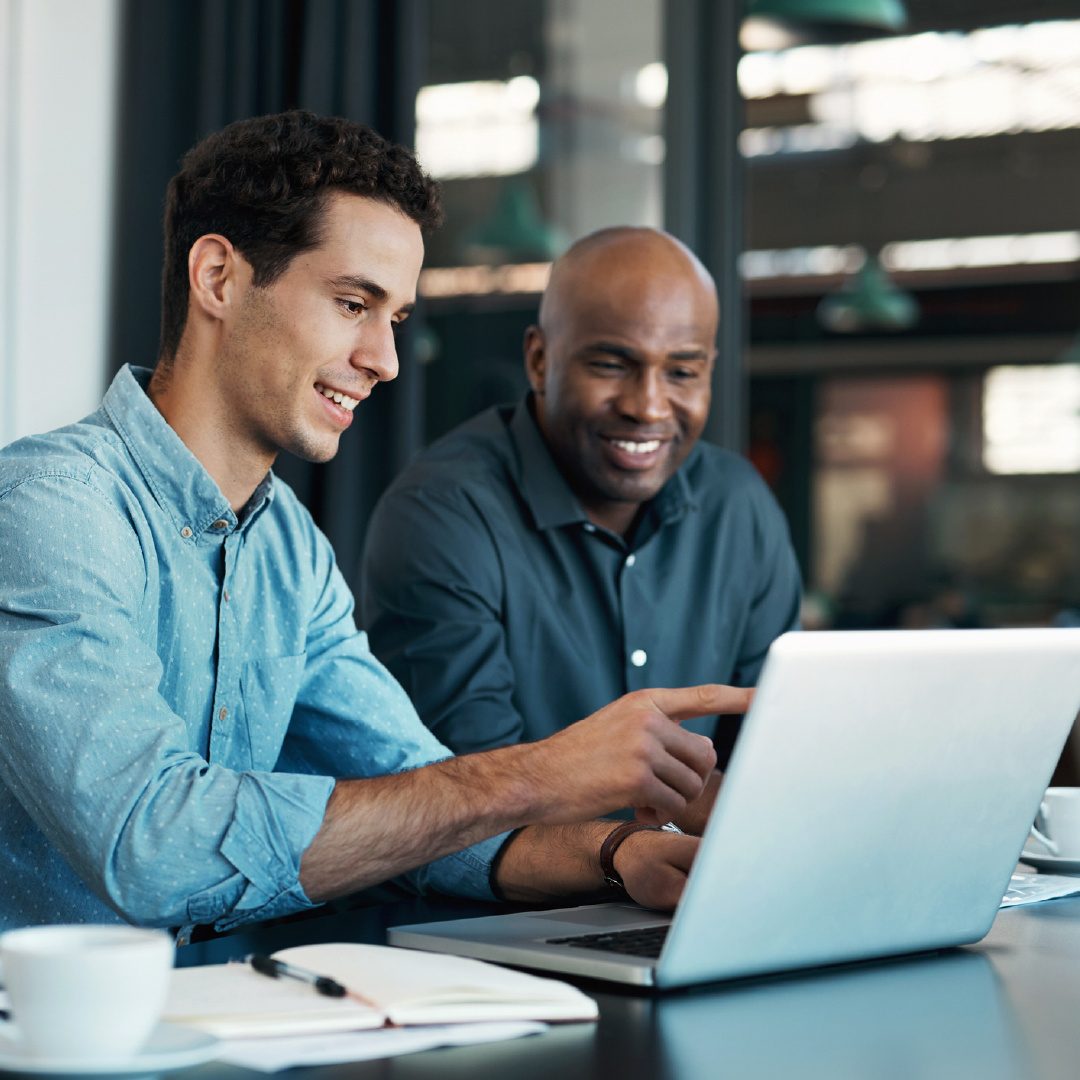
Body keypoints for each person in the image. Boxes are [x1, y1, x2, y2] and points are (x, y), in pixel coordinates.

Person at [0, 112, 753, 935]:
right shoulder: (51, 509)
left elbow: (420, 807)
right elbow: (152, 845)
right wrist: (540, 773)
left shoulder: (288, 547)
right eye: (352, 303)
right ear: (217, 277)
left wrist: (615, 854)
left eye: (393, 318)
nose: (385, 361)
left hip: (223, 1028)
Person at [361, 227, 801, 814]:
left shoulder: (738, 506)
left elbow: (775, 756)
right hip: (503, 906)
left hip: (701, 890)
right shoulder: (441, 513)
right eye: (614, 364)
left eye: (682, 372)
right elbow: (466, 797)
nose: (647, 406)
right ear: (540, 361)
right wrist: (636, 851)